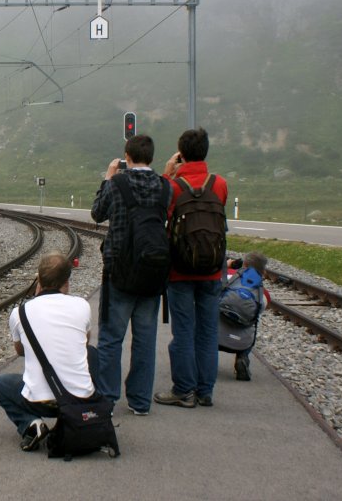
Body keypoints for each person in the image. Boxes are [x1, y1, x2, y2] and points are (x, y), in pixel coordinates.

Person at [91, 134, 169, 416]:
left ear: (127, 155)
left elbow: (97, 214)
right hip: (152, 273)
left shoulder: (117, 184)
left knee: (111, 338)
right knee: (146, 340)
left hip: (119, 272)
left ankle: (108, 399)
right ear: (151, 157)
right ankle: (139, 402)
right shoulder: (164, 186)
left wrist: (108, 178)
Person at [0, 252, 97, 451]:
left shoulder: (19, 312)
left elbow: (20, 350)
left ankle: (30, 424)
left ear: (38, 280)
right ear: (67, 281)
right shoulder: (82, 306)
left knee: (0, 385)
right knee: (93, 354)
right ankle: (77, 418)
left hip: (39, 402)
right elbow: (84, 343)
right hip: (78, 399)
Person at [154, 127, 228, 408]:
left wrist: (168, 173)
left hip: (180, 271)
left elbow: (160, 209)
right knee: (208, 331)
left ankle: (184, 390)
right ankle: (205, 390)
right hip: (211, 270)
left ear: (181, 154)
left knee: (183, 331)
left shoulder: (173, 186)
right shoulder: (219, 184)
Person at [225, 252, 271, 381]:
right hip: (241, 339)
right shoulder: (262, 293)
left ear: (244, 264)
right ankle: (242, 357)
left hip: (216, 332)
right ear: (262, 271)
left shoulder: (228, 275)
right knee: (254, 320)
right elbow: (261, 309)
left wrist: (227, 265)